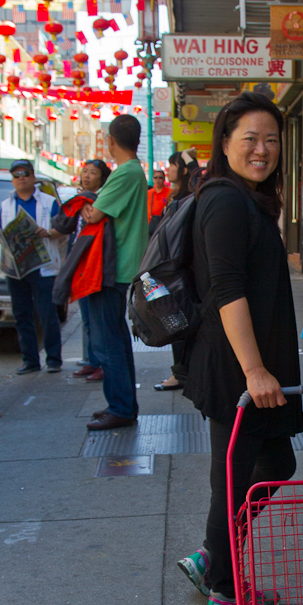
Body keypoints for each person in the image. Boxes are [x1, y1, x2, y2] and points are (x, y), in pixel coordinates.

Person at [176, 92, 303, 605]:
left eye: (271, 140)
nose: (262, 149)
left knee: (273, 463)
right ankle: (224, 591)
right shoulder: (225, 201)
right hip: (236, 370)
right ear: (224, 142)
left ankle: (211, 553)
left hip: (250, 367)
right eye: (249, 138)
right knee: (235, 476)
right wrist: (254, 370)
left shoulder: (247, 200)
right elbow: (227, 290)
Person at [81, 115, 149, 430]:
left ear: (111, 140)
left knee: (108, 340)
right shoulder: (134, 172)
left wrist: (87, 211)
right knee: (115, 339)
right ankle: (120, 404)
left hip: (113, 267)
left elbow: (94, 214)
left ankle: (120, 407)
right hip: (120, 265)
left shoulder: (126, 172)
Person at [0, 160, 63, 376]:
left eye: (25, 174)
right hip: (15, 268)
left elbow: (62, 229)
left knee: (46, 313)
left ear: (33, 177)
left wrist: (48, 232)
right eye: (16, 175)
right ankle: (30, 360)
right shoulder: (6, 204)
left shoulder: (49, 202)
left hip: (41, 268)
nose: (21, 178)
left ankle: (53, 359)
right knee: (22, 314)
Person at [154, 148, 202, 393]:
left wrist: (188, 158)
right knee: (176, 321)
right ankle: (183, 371)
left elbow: (200, 174)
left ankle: (182, 373)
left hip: (182, 270)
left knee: (179, 321)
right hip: (172, 268)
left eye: (173, 165)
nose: (169, 170)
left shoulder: (192, 193)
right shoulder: (175, 196)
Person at [71, 159, 111, 382]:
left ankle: (101, 362)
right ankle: (93, 361)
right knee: (87, 318)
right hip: (81, 267)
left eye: (92, 173)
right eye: (84, 171)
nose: (86, 176)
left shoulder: (99, 201)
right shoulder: (81, 199)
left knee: (97, 320)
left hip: (94, 266)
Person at [147, 169, 171, 236]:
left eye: (160, 177)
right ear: (153, 179)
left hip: (164, 224)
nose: (158, 179)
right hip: (150, 226)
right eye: (155, 178)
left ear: (164, 179)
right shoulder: (148, 193)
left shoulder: (170, 192)